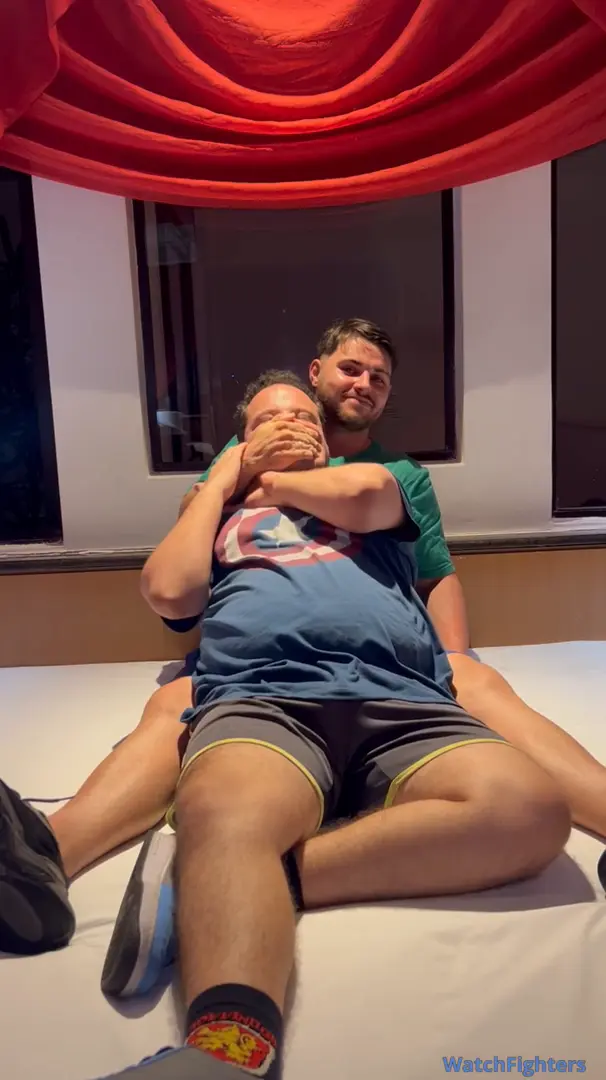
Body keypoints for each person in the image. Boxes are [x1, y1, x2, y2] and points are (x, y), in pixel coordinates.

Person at [0, 318, 604, 963]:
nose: (363, 384)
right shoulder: (229, 477)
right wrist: (227, 479)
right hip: (254, 663)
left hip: (385, 663)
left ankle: (240, 874)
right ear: (315, 375)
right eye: (351, 368)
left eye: (379, 377)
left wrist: (447, 657)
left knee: (476, 680)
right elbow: (175, 591)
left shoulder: (391, 474)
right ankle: (45, 856)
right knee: (177, 700)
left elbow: (434, 571)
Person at [94, 371, 569, 1079]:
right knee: (225, 810)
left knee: (529, 807)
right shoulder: (218, 513)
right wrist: (222, 482)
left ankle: (227, 877)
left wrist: (273, 479)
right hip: (267, 695)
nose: (290, 424)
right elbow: (169, 591)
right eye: (269, 419)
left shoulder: (371, 486)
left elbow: (368, 493)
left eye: (304, 419)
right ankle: (225, 1053)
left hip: (404, 701)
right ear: (240, 440)